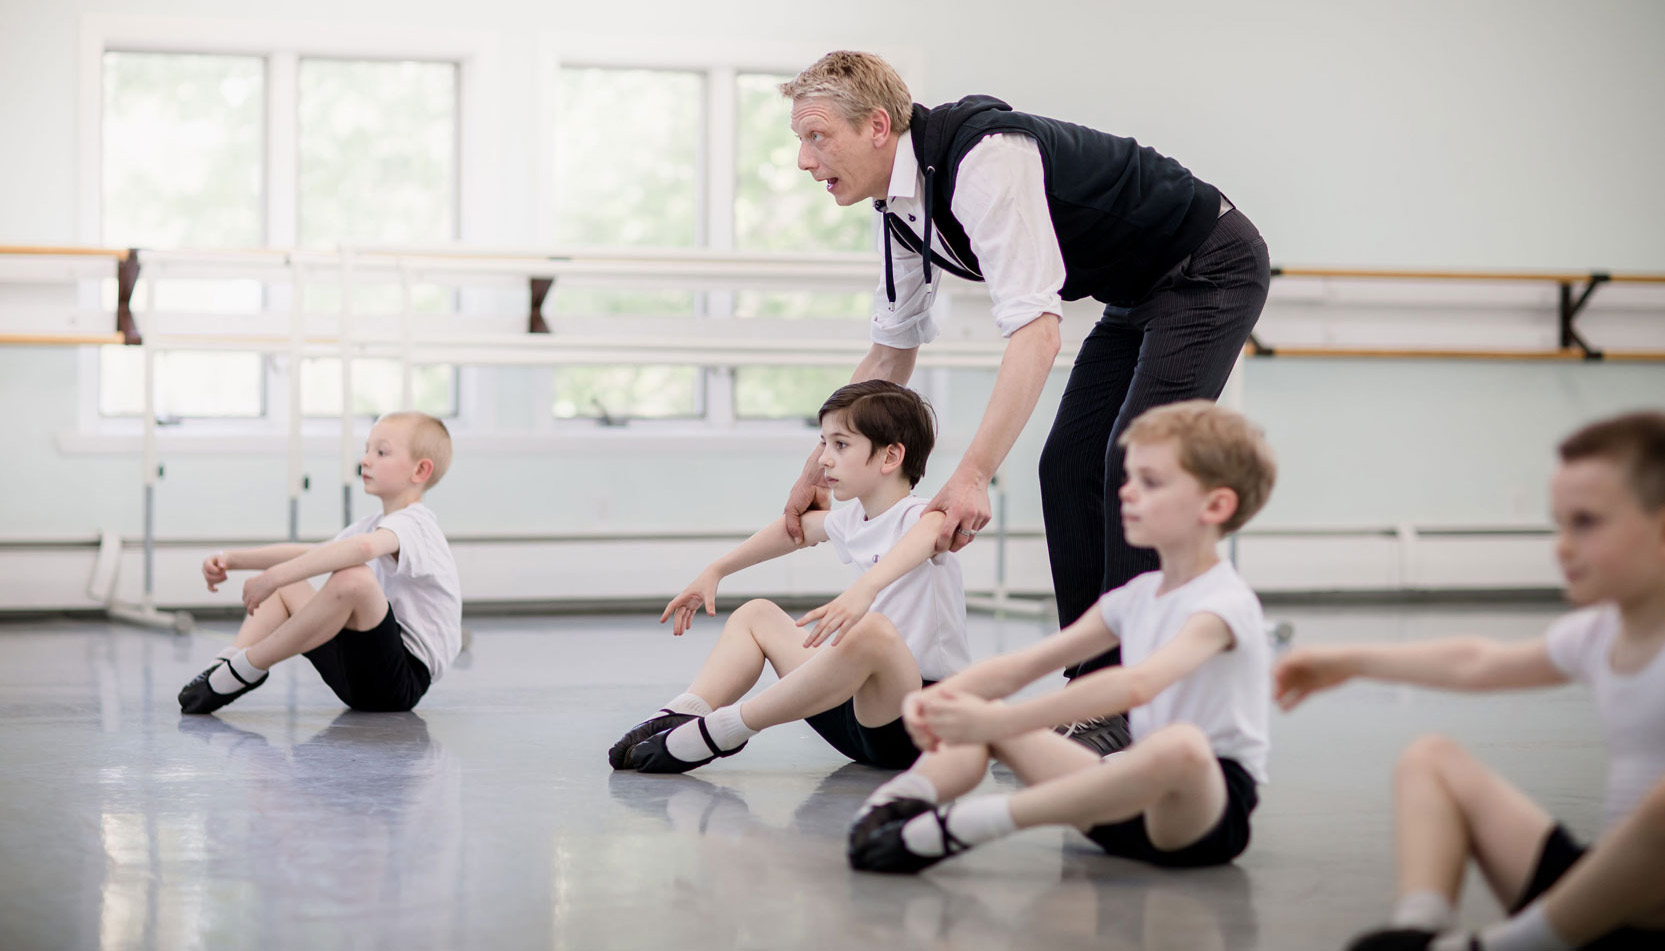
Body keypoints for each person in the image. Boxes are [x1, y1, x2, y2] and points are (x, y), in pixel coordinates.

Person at [776, 51, 1272, 755]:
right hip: (1136, 292)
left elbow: (1036, 336)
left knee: (1134, 467)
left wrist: (971, 472)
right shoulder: (902, 207)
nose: (803, 158)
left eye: (816, 136)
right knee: (1066, 467)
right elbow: (889, 357)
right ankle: (1093, 692)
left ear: (878, 126)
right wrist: (816, 467)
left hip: (1208, 269)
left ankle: (1132, 702)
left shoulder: (985, 162)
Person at [1275, 411, 1665, 951]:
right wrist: (1350, 661)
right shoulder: (1602, 633)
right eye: (1560, 524)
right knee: (1430, 759)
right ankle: (1420, 927)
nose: (1563, 546)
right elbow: (1477, 662)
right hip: (1602, 904)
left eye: (1587, 523)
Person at [846, 401, 1276, 874]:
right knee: (982, 712)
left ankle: (968, 825)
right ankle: (891, 807)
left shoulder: (1223, 603)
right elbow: (1023, 666)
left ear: (1215, 505)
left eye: (1150, 483)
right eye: (1128, 478)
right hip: (1115, 803)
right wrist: (944, 700)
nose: (1126, 493)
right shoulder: (1133, 596)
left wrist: (1003, 723)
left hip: (1199, 817)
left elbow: (1137, 686)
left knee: (1180, 745)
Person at [610, 380, 970, 774]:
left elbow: (930, 531)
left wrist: (865, 589)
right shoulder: (853, 518)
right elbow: (793, 531)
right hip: (855, 717)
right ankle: (685, 711)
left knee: (873, 631)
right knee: (756, 615)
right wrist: (717, 569)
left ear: (890, 457)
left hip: (916, 724)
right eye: (824, 444)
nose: (824, 460)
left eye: (840, 445)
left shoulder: (921, 516)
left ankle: (724, 730)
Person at [179, 411, 461, 715]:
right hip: (355, 672)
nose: (365, 460)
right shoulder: (375, 524)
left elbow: (361, 549)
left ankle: (248, 665)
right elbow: (313, 556)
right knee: (296, 579)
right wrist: (234, 560)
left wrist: (274, 577)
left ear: (420, 470)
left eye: (381, 452)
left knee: (354, 578)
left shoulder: (416, 524)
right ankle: (230, 659)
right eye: (367, 450)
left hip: (400, 681)